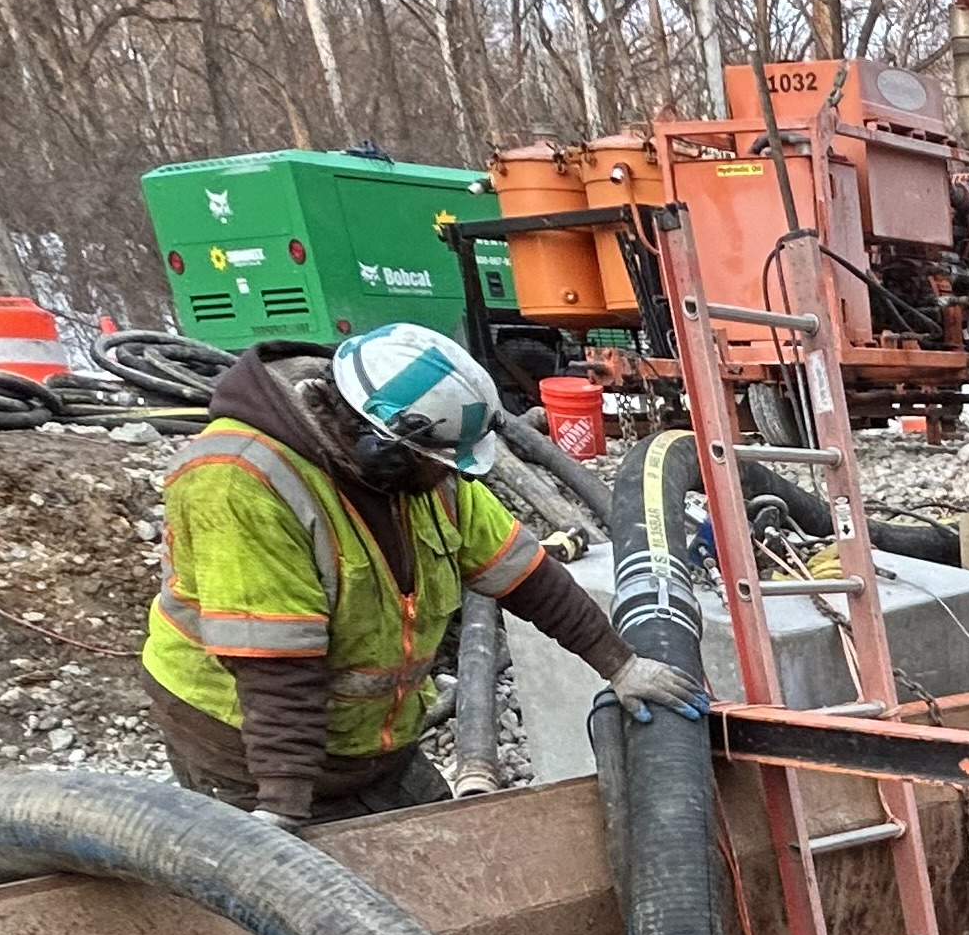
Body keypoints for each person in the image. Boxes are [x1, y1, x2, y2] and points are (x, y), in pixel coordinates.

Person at [142, 323, 700, 825]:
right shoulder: (240, 479)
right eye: (438, 462)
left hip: (374, 748)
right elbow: (277, 665)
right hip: (248, 748)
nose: (447, 477)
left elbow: (526, 575)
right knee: (319, 920)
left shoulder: (425, 475)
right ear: (378, 443)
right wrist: (284, 808)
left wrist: (620, 666)